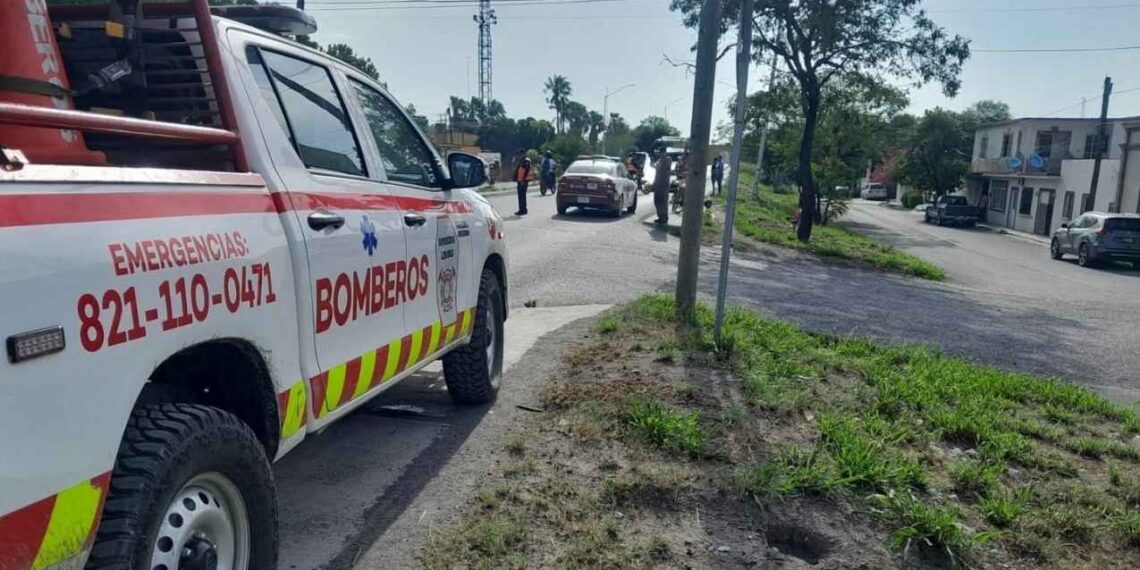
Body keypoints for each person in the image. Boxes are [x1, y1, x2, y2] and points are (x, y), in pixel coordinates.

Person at [651, 148, 673, 225]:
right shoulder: (659, 161)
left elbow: (668, 166)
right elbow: (656, 171)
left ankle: (664, 217)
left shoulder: (668, 159)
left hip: (664, 184)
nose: (660, 154)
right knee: (657, 200)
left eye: (662, 152)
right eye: (660, 152)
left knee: (663, 201)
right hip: (657, 183)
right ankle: (660, 216)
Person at [513, 149, 531, 215]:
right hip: (520, 181)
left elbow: (526, 171)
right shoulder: (522, 161)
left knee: (522, 196)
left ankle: (523, 210)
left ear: (523, 154)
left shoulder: (526, 161)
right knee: (521, 196)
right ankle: (522, 209)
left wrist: (523, 180)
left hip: (523, 181)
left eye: (520, 154)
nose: (519, 155)